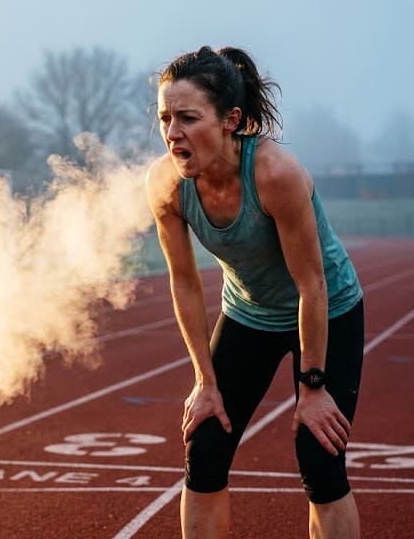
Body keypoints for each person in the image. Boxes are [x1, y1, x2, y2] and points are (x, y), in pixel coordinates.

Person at [145, 45, 365, 539]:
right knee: (205, 445)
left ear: (230, 120)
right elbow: (184, 281)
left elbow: (312, 285)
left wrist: (313, 389)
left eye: (187, 118)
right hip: (249, 313)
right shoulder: (166, 185)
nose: (172, 132)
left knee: (320, 456)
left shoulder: (274, 173)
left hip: (327, 309)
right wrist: (205, 381)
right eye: (164, 119)